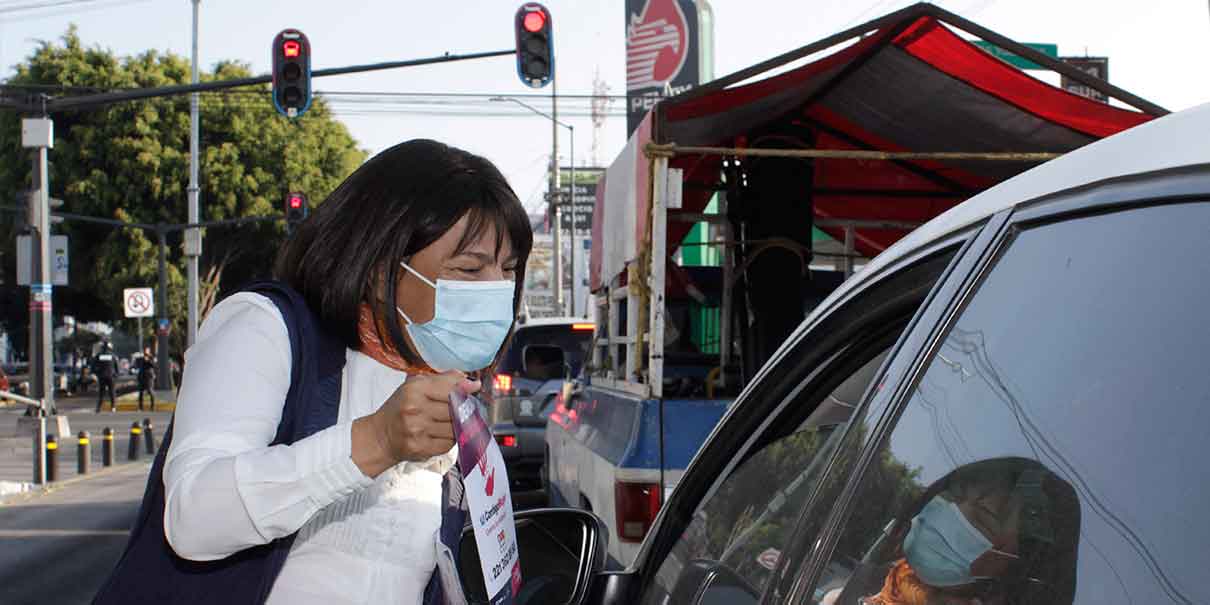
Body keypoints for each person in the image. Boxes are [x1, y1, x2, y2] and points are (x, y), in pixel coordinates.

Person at [93, 139, 532, 605]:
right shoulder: (268, 329)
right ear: (379, 264)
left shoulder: (450, 396)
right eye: (469, 269)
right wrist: (377, 441)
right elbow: (192, 516)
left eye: (508, 270)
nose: (496, 291)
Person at [825, 458, 1081, 605]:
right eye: (955, 495)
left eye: (983, 518)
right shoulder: (870, 582)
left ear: (1008, 563)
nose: (953, 512)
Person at [93, 341, 117, 413]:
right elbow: (116, 366)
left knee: (101, 393)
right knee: (112, 392)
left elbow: (93, 366)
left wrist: (96, 374)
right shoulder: (112, 356)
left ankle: (98, 408)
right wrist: (116, 375)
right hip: (111, 376)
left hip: (102, 376)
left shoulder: (98, 355)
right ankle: (113, 407)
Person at [137, 347, 156, 411]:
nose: (145, 352)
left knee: (150, 391)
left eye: (147, 351)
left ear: (149, 351)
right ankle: (140, 407)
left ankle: (152, 407)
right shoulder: (141, 358)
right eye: (144, 351)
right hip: (142, 377)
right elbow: (140, 367)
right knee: (141, 393)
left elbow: (154, 366)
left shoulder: (151, 358)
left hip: (149, 378)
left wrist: (148, 360)